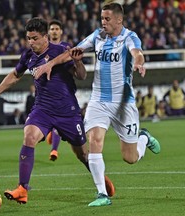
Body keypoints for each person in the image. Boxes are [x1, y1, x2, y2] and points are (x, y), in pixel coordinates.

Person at [34, 3, 161, 207]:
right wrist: (50, 63)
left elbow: (137, 52)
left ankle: (143, 138)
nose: (103, 22)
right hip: (99, 100)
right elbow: (72, 51)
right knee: (94, 141)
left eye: (107, 19)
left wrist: (139, 62)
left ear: (119, 20)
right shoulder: (98, 36)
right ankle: (102, 194)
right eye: (102, 18)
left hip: (123, 103)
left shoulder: (130, 37)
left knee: (130, 157)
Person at [0, 17, 115, 205]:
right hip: (42, 109)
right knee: (29, 136)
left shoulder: (61, 51)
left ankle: (102, 179)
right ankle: (22, 188)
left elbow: (82, 76)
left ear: (45, 37)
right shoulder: (28, 56)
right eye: (28, 38)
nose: (31, 42)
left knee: (82, 154)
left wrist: (77, 62)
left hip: (67, 112)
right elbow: (15, 75)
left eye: (35, 38)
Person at [45, 19, 72, 161]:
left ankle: (54, 150)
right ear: (48, 32)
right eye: (52, 29)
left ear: (61, 32)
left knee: (58, 122)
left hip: (62, 90)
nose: (54, 31)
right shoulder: (43, 48)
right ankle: (50, 132)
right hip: (46, 91)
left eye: (57, 29)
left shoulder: (66, 47)